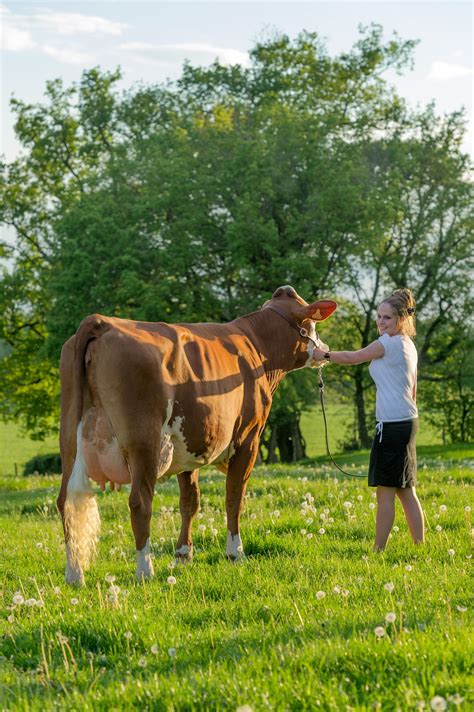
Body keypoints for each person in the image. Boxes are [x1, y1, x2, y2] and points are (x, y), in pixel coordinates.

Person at [312, 288, 424, 552]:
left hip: (393, 426)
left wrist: (322, 355)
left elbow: (353, 357)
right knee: (405, 489)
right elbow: (414, 389)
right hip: (407, 422)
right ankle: (421, 546)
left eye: (386, 317)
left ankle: (378, 551)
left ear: (401, 319)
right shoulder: (409, 345)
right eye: (379, 317)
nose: (380, 322)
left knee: (385, 492)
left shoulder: (388, 343)